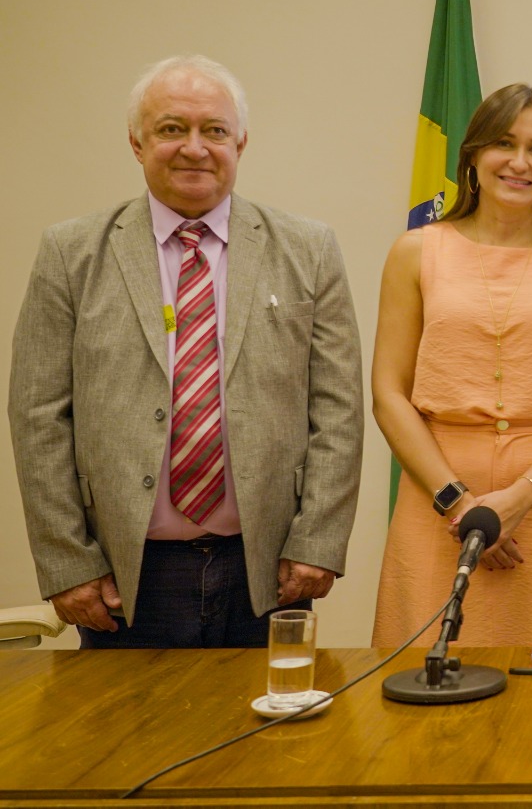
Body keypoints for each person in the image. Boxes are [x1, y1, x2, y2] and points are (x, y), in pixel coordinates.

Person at [9, 55, 363, 648]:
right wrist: (68, 562)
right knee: (130, 716)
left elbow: (338, 409)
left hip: (269, 568)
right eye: (172, 129)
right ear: (136, 142)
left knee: (269, 712)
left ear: (240, 142)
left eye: (214, 130)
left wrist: (319, 541)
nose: (194, 148)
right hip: (125, 578)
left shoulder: (309, 249)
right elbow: (37, 414)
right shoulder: (71, 254)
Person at [371, 83, 532, 648]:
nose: (519, 162)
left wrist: (521, 497)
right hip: (436, 502)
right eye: (505, 143)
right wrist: (460, 505)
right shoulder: (414, 252)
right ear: (474, 155)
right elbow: (389, 394)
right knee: (424, 682)